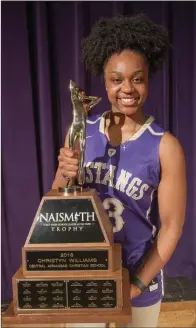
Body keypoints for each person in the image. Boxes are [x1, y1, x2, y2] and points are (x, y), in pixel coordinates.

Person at [52, 14, 187, 328]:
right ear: (105, 81)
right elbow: (59, 205)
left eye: (137, 79)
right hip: (88, 276)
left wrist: (136, 285)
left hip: (139, 276)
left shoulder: (166, 146)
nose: (127, 88)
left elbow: (171, 228)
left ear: (148, 79)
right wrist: (64, 171)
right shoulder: (81, 130)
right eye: (117, 79)